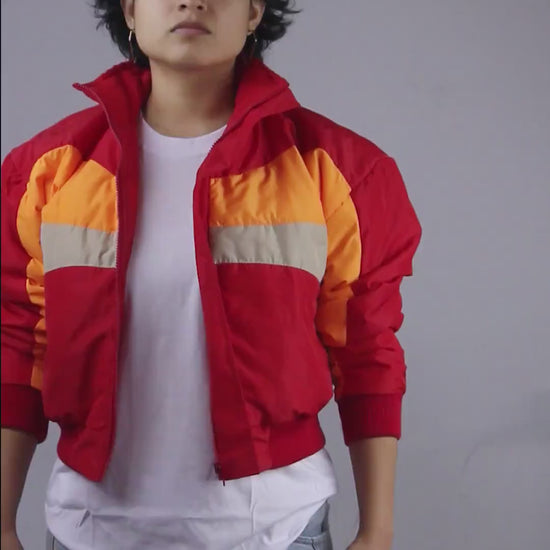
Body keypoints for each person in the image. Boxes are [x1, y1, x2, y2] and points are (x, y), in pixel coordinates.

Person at [0, 1, 422, 549]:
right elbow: (18, 346)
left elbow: (366, 351)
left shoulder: (336, 170)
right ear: (130, 9)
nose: (191, 0)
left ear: (254, 11)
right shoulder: (47, 173)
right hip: (88, 531)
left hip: (275, 531)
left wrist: (377, 531)